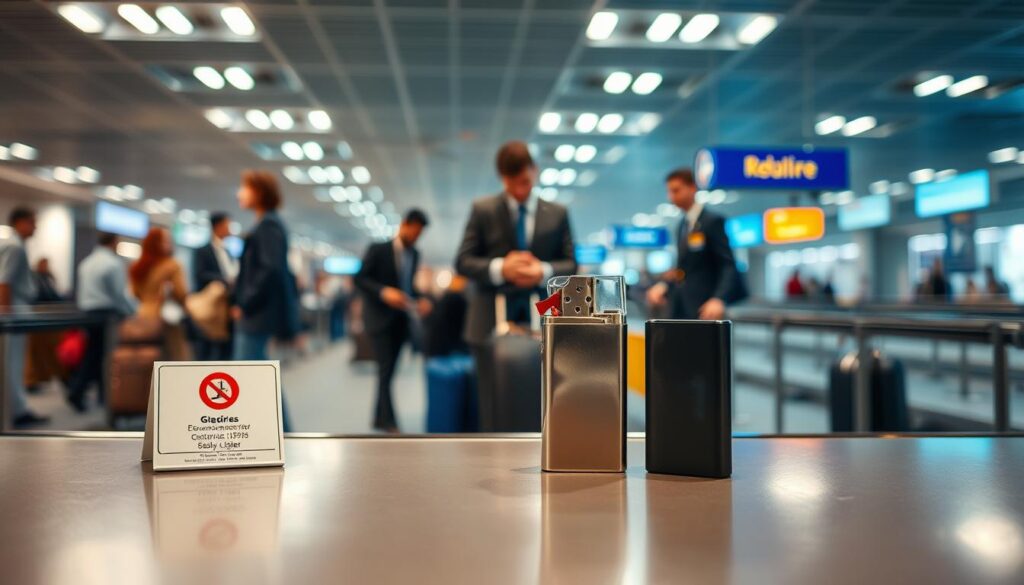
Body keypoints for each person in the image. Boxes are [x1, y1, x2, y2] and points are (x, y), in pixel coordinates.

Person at [455, 140, 576, 430]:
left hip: (544, 318)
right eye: (511, 183)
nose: (519, 191)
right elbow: (462, 261)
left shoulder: (557, 213)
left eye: (524, 181)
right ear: (502, 178)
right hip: (488, 319)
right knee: (491, 400)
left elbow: (570, 264)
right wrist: (500, 268)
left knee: (544, 398)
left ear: (534, 171)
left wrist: (542, 270)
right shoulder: (482, 209)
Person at [232, 170, 300, 431]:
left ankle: (281, 433)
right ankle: (282, 433)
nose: (240, 193)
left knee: (250, 375)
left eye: (244, 187)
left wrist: (245, 302)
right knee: (259, 377)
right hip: (258, 315)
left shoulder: (268, 225)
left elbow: (269, 270)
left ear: (259, 192)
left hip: (256, 316)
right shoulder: (267, 224)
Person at [355, 209, 431, 432]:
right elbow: (360, 279)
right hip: (379, 320)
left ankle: (379, 417)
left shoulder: (415, 254)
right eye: (414, 232)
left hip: (401, 320)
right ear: (404, 225)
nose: (415, 238)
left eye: (419, 235)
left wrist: (421, 299)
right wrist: (383, 292)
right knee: (385, 370)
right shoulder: (379, 249)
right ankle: (389, 421)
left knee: (388, 371)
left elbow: (407, 286)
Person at [647, 168, 742, 320]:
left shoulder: (712, 222)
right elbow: (684, 269)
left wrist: (719, 298)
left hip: (704, 308)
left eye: (676, 190)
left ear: (692, 188)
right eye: (669, 192)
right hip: (681, 307)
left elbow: (728, 265)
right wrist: (664, 286)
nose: (671, 197)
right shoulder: (682, 226)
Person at [66, 232, 136, 412]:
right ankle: (83, 392)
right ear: (114, 242)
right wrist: (132, 312)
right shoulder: (112, 264)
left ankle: (97, 395)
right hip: (106, 315)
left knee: (93, 353)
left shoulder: (87, 262)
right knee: (101, 356)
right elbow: (119, 295)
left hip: (88, 313)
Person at [0, 207, 48, 427]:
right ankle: (14, 410)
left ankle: (15, 407)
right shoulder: (14, 246)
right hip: (13, 312)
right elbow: (4, 282)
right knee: (11, 363)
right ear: (19, 222)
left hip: (16, 310)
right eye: (32, 221)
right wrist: (5, 314)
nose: (35, 227)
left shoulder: (16, 246)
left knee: (15, 363)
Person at [129, 227, 190, 361]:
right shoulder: (172, 266)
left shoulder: (137, 267)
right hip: (166, 316)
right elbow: (181, 293)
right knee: (174, 356)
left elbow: (134, 293)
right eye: (166, 241)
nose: (169, 244)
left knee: (146, 359)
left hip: (143, 315)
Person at [191, 212, 237, 361]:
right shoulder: (202, 251)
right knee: (206, 350)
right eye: (227, 225)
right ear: (217, 226)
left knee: (226, 349)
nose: (230, 229)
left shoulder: (228, 252)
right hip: (210, 307)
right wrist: (224, 280)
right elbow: (200, 275)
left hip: (226, 307)